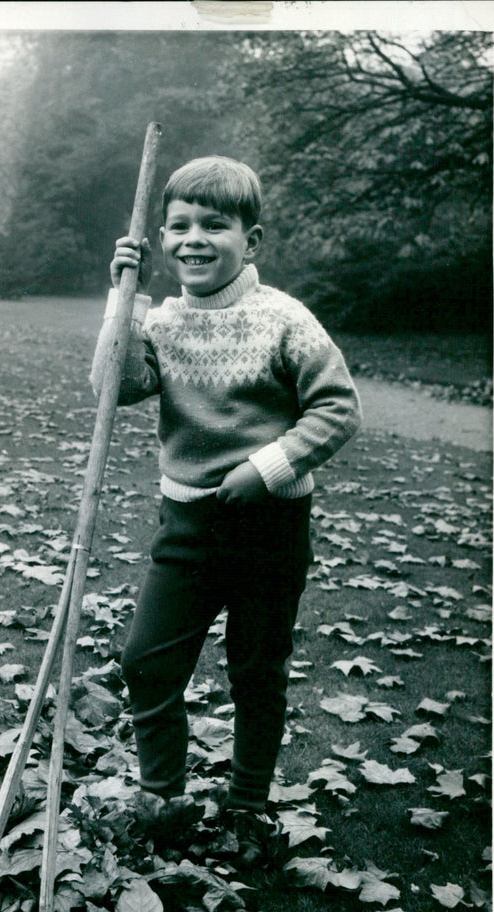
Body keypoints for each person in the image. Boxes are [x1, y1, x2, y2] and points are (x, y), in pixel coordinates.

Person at [90, 156, 362, 867]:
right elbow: (113, 386)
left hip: (270, 530)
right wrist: (125, 299)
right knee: (146, 662)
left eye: (215, 224)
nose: (194, 238)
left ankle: (247, 806)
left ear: (254, 240)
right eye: (179, 225)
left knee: (255, 670)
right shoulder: (167, 319)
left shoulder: (283, 319)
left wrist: (268, 467)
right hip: (186, 529)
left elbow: (337, 409)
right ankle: (162, 801)